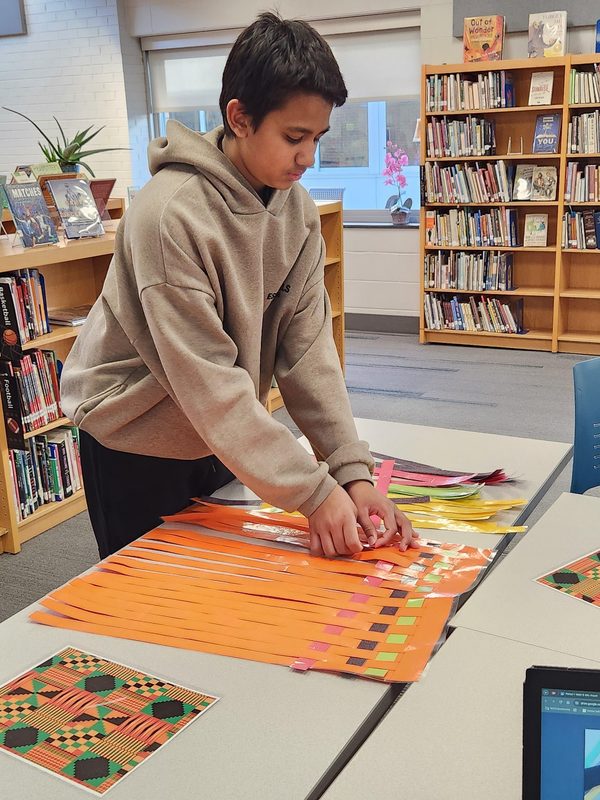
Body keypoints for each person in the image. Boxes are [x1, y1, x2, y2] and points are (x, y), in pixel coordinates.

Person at [60, 12, 416, 560]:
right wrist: (313, 494)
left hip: (222, 435)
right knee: (152, 616)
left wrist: (351, 474)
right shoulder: (169, 216)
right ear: (240, 118)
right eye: (294, 137)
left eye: (318, 138)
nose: (308, 157)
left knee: (220, 596)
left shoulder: (295, 213)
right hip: (134, 439)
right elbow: (209, 383)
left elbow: (309, 355)